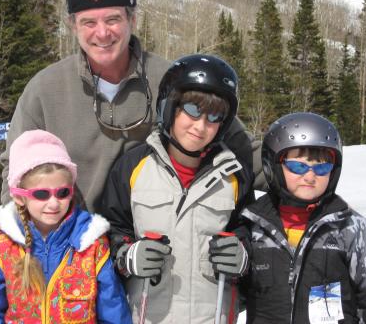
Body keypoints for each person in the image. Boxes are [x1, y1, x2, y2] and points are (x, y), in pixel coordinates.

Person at [0, 0, 264, 213]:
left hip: (152, 244)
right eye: (89, 22)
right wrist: (16, 233)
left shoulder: (172, 79)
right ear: (73, 26)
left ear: (132, 19)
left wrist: (296, 163)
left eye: (113, 19)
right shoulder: (46, 89)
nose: (102, 33)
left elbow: (238, 143)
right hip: (75, 245)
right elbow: (16, 167)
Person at [100, 54, 255, 323]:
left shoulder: (233, 176)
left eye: (214, 116)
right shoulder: (133, 168)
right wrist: (127, 256)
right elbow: (110, 230)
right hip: (147, 314)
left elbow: (250, 234)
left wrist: (242, 256)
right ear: (170, 106)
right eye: (193, 110)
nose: (201, 125)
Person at [213, 112, 366, 323]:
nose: (310, 176)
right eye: (298, 166)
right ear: (272, 165)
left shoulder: (350, 229)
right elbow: (234, 297)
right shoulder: (252, 226)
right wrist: (237, 266)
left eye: (322, 167)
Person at [0, 130, 132, 323]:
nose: (54, 203)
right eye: (41, 194)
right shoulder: (6, 248)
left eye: (62, 192)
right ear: (19, 196)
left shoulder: (90, 245)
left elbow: (113, 309)